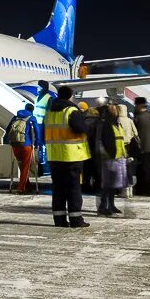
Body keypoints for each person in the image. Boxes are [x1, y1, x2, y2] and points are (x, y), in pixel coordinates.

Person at [44, 86, 92, 228]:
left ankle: (59, 220)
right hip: (72, 156)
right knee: (73, 189)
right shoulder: (71, 111)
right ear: (71, 96)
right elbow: (81, 128)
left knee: (58, 189)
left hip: (54, 157)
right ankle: (76, 220)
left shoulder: (50, 113)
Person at [93, 104, 128, 216]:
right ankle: (103, 206)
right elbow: (100, 141)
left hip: (118, 157)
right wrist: (104, 154)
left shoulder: (116, 123)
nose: (116, 112)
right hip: (108, 158)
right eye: (114, 110)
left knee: (113, 184)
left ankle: (111, 205)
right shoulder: (104, 124)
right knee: (106, 184)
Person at [7, 103, 40, 194]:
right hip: (26, 145)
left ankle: (28, 185)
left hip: (15, 145)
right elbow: (37, 131)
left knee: (22, 166)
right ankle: (21, 188)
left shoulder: (15, 117)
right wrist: (37, 144)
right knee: (25, 166)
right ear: (32, 111)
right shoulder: (32, 118)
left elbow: (8, 130)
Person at [132, 97, 150, 195]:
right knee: (149, 170)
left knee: (143, 170)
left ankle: (144, 190)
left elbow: (135, 133)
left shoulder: (138, 117)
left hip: (143, 147)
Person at [81, 102, 101, 195]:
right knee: (96, 169)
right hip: (95, 148)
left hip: (84, 148)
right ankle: (97, 186)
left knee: (86, 169)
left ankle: (85, 185)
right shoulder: (98, 122)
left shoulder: (83, 121)